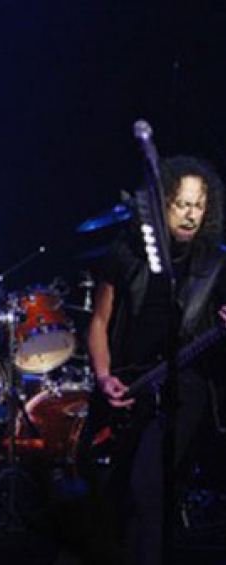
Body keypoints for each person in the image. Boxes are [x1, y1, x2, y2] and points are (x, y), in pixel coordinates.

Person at [84, 155, 226, 564]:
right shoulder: (126, 252)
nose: (191, 214)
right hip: (129, 385)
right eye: (182, 204)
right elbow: (99, 321)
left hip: (184, 388)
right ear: (162, 203)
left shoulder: (215, 262)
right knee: (111, 494)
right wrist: (104, 376)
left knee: (148, 486)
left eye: (198, 206)